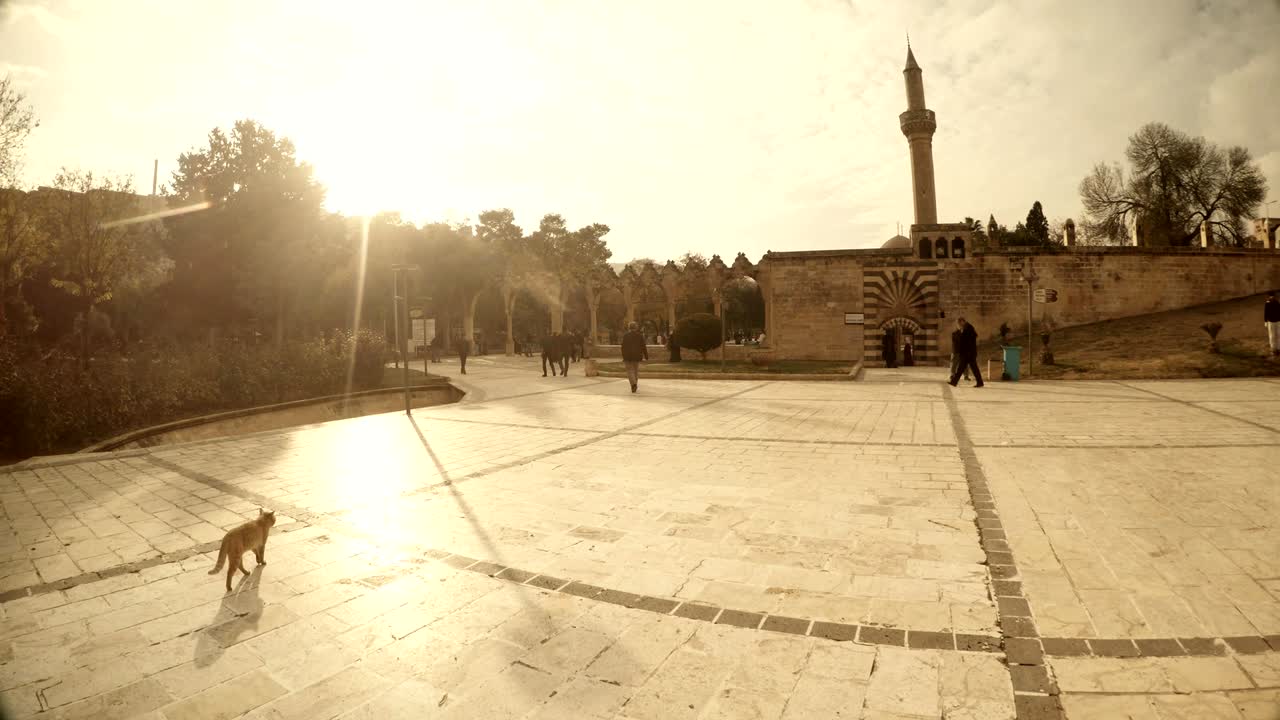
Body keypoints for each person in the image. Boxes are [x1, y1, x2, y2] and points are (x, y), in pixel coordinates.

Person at [949, 317, 984, 387]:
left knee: (972, 369)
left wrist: (961, 333)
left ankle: (980, 382)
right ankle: (954, 382)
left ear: (962, 322)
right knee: (962, 368)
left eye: (959, 323)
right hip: (968, 353)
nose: (958, 325)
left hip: (969, 353)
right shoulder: (967, 328)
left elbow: (966, 340)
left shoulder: (968, 328)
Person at [621, 321, 648, 393]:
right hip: (637, 356)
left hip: (628, 356)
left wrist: (623, 355)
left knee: (630, 371)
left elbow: (623, 347)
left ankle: (633, 384)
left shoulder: (626, 336)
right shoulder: (640, 336)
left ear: (629, 327)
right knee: (635, 371)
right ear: (636, 327)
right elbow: (643, 346)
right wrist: (646, 356)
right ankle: (634, 383)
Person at [1265, 291, 1280, 357]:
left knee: (1275, 335)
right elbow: (1266, 313)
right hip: (1273, 321)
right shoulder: (1268, 303)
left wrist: (1265, 321)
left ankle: (1276, 348)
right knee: (1273, 335)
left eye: (1273, 296)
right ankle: (1274, 348)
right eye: (1271, 296)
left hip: (1276, 321)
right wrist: (1265, 321)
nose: (1272, 297)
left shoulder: (1276, 302)